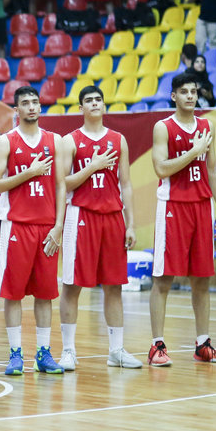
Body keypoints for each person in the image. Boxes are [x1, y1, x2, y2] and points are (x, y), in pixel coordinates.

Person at [148, 71, 216, 366]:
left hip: (200, 206)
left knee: (202, 279)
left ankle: (202, 344)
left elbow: (213, 170)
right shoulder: (163, 127)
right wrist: (193, 150)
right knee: (164, 278)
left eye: (194, 91)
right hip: (172, 206)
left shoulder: (206, 126)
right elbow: (161, 169)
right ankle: (157, 346)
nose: (191, 96)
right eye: (184, 92)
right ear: (174, 96)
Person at [57, 86, 142, 371]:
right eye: (88, 101)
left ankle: (116, 350)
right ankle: (68, 350)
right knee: (72, 285)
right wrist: (91, 167)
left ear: (105, 106)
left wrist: (130, 223)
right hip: (81, 215)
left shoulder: (119, 140)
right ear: (80, 108)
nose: (94, 103)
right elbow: (62, 184)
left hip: (112, 217)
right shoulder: (70, 141)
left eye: (98, 100)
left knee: (114, 286)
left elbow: (127, 184)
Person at [0, 85, 66, 376]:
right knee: (13, 294)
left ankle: (44, 353)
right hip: (16, 225)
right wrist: (28, 173)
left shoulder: (55, 141)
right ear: (16, 110)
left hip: (46, 226)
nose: (32, 106)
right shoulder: (6, 142)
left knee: (45, 294)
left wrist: (58, 226)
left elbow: (61, 185)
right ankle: (15, 354)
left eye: (35, 102)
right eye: (26, 103)